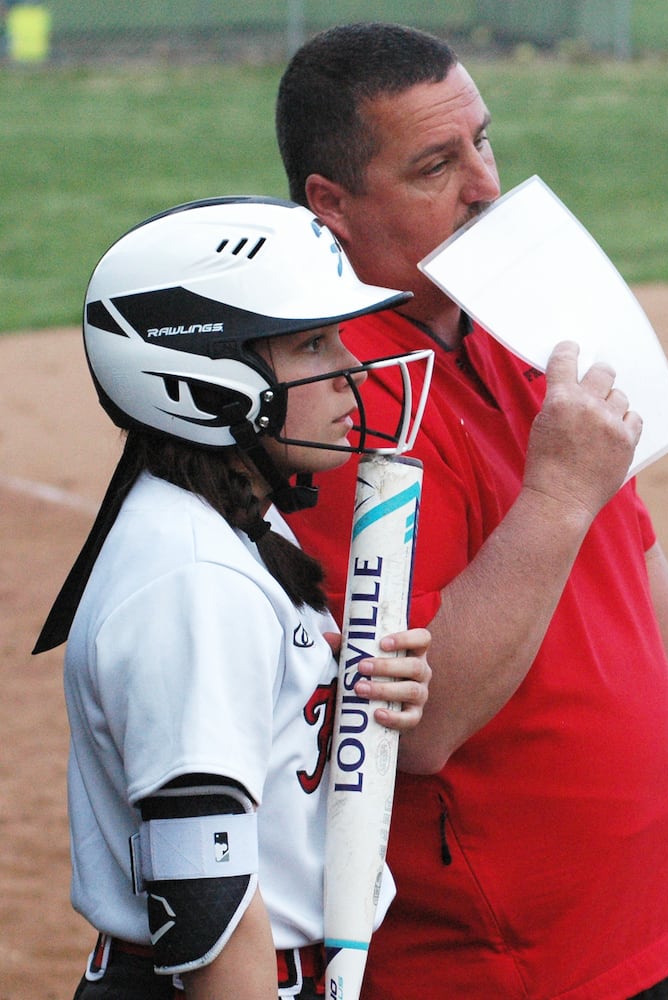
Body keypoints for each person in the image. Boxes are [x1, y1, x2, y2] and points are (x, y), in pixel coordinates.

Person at [274, 21, 668, 1000]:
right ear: (330, 204)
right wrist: (556, 491)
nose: (484, 186)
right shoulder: (328, 399)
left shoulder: (519, 309)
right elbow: (419, 725)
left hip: (618, 922)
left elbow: (637, 558)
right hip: (493, 964)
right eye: (433, 167)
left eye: (482, 141)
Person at [32, 196, 438, 999]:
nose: (351, 371)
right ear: (201, 379)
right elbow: (208, 906)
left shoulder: (236, 522)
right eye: (312, 343)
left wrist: (353, 701)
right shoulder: (193, 580)